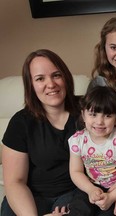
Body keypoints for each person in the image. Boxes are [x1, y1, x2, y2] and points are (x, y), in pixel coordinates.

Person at [0, 49, 80, 216]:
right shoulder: (20, 122)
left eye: (56, 75)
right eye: (40, 79)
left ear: (65, 77)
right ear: (31, 85)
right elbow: (15, 182)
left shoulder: (89, 109)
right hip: (30, 195)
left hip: (74, 193)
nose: (51, 84)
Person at [64, 86, 116, 215]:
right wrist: (90, 190)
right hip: (91, 186)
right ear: (83, 114)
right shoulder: (77, 140)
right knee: (78, 210)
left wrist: (112, 197)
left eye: (107, 115)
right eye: (93, 114)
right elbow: (76, 171)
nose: (99, 122)